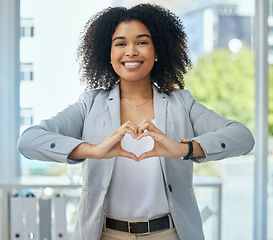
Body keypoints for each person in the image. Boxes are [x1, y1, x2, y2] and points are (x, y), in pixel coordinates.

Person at [18, 4, 255, 240]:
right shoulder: (90, 105)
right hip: (105, 234)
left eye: (142, 42)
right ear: (108, 54)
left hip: (170, 234)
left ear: (157, 50)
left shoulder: (182, 104)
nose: (131, 51)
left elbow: (243, 137)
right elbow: (29, 141)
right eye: (120, 43)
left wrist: (184, 148)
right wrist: (93, 150)